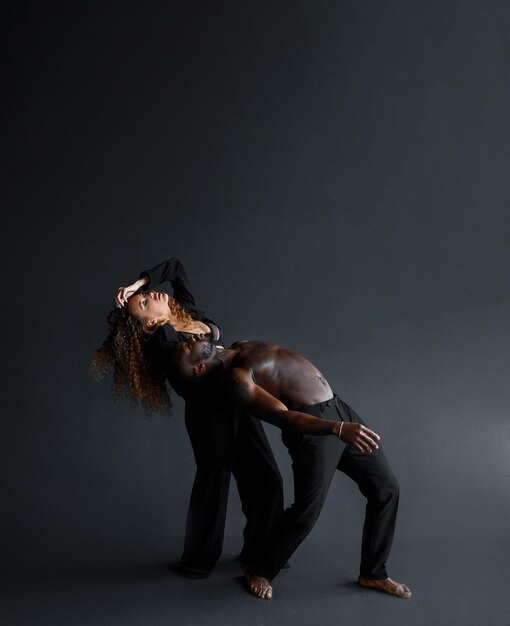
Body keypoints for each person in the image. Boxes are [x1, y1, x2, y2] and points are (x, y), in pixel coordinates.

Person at [170, 337, 411, 600]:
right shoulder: (236, 380)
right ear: (199, 368)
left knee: (386, 489)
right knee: (306, 512)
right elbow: (283, 416)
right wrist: (337, 429)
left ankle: (373, 573)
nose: (189, 340)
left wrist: (340, 421)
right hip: (316, 428)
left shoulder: (231, 348)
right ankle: (259, 570)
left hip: (338, 409)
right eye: (185, 347)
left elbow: (201, 328)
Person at [92, 258, 284, 578]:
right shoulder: (163, 344)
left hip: (236, 403)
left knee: (266, 478)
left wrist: (136, 286)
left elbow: (175, 267)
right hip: (209, 416)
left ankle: (261, 551)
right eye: (144, 303)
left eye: (148, 293)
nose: (152, 295)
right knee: (214, 486)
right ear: (147, 326)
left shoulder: (186, 312)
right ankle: (198, 562)